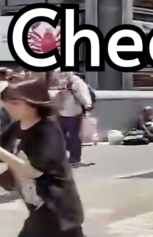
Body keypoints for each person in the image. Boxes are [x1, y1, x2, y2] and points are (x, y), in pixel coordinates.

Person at [0, 78, 85, 237]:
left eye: (16, 103)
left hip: (57, 209)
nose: (8, 107)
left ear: (34, 103)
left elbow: (34, 171)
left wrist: (4, 154)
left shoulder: (48, 130)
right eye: (6, 101)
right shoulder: (15, 127)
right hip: (40, 207)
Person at [54, 72, 92, 167]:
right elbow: (83, 94)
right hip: (71, 111)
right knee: (72, 135)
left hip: (63, 111)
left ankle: (68, 157)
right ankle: (73, 157)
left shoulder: (60, 81)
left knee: (62, 135)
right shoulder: (75, 81)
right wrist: (87, 105)